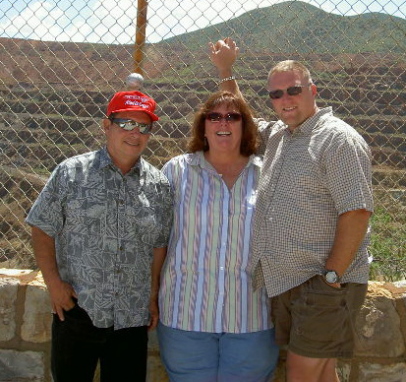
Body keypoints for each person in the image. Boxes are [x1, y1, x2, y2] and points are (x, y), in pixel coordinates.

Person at [210, 38, 374, 382]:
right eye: (276, 94)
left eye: (293, 90)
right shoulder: (282, 136)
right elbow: (243, 116)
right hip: (292, 284)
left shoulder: (337, 139)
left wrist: (331, 278)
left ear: (312, 90)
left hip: (322, 283)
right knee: (320, 372)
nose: (285, 100)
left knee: (301, 373)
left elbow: (357, 211)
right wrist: (226, 70)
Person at [26, 90, 173, 382]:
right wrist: (53, 284)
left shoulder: (159, 185)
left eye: (144, 127)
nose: (136, 133)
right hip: (78, 310)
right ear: (107, 126)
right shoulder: (71, 173)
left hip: (131, 316)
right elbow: (42, 226)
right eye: (127, 124)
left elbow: (159, 245)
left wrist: (153, 295)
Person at [157, 91, 279, 382]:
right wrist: (151, 293)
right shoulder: (176, 171)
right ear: (203, 125)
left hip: (251, 316)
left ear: (245, 126)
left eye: (233, 116)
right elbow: (158, 240)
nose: (223, 122)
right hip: (184, 315)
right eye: (215, 116)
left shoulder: (267, 176)